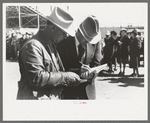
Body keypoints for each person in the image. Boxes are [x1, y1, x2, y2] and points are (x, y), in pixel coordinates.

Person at [17, 7, 81, 100]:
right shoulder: (33, 46)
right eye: (63, 33)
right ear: (53, 28)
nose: (65, 36)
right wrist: (66, 77)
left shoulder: (51, 45)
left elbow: (58, 72)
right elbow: (37, 78)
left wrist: (78, 73)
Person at [57, 15, 102, 99]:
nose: (87, 43)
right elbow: (59, 69)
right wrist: (78, 71)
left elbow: (97, 63)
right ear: (79, 32)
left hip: (88, 93)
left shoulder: (94, 44)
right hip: (69, 93)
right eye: (86, 39)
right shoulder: (62, 44)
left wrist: (92, 75)